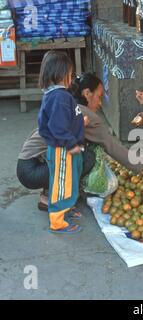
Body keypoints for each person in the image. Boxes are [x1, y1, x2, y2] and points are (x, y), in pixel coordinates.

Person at [17, 72, 143, 214]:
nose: (100, 103)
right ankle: (51, 195)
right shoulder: (84, 113)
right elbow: (111, 145)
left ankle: (50, 190)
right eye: (99, 96)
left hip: (27, 166)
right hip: (32, 170)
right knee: (87, 157)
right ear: (87, 94)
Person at [37, 50, 84, 234]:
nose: (71, 78)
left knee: (70, 180)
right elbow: (57, 126)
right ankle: (57, 219)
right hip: (63, 149)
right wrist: (71, 144)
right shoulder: (59, 97)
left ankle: (67, 206)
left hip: (68, 147)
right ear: (61, 73)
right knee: (62, 182)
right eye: (70, 74)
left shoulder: (57, 95)